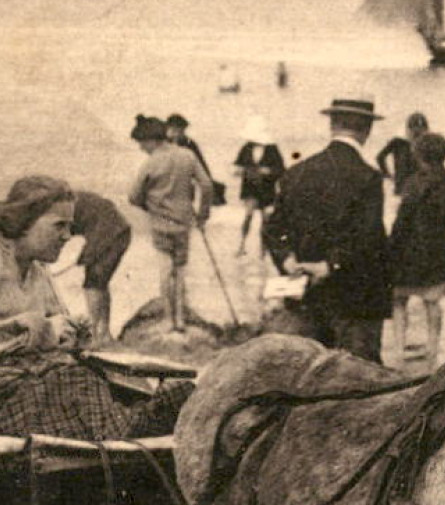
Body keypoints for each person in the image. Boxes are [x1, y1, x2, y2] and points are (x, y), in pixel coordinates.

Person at [0, 176, 192, 440]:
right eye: (58, 226)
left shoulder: (37, 269)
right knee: (59, 385)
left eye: (70, 227)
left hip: (14, 374)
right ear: (23, 220)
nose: (67, 236)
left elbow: (56, 323)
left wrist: (74, 331)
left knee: (81, 379)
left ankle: (129, 423)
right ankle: (129, 426)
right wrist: (44, 330)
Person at [263, 96, 392, 364]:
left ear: (332, 125)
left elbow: (272, 228)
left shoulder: (296, 172)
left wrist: (287, 260)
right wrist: (331, 265)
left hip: (304, 293)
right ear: (367, 130)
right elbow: (369, 239)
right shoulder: (368, 177)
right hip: (355, 298)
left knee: (305, 379)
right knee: (358, 382)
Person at [387, 132, 445, 369]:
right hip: (438, 250)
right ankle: (432, 352)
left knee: (399, 300)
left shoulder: (412, 183)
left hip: (409, 250)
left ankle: (398, 351)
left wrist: (389, 248)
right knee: (432, 303)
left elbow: (402, 222)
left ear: (418, 155)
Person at [127, 115, 212, 335]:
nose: (141, 148)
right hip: (184, 222)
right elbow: (207, 185)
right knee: (181, 270)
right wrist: (202, 215)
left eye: (142, 144)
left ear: (151, 140)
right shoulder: (187, 155)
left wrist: (151, 206)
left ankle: (168, 318)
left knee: (165, 270)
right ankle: (181, 318)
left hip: (160, 224)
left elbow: (133, 196)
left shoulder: (150, 162)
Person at [70, 190, 132, 347]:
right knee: (100, 283)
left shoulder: (55, 206)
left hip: (109, 233)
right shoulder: (69, 200)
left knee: (93, 283)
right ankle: (103, 333)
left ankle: (97, 336)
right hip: (122, 230)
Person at [232, 115, 285, 256]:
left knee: (265, 220)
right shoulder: (246, 147)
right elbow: (237, 166)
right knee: (248, 215)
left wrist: (268, 171)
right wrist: (241, 171)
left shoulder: (272, 149)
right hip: (250, 188)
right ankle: (242, 245)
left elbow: (281, 170)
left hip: (267, 189)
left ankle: (263, 249)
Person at [166, 114, 225, 207]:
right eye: (173, 129)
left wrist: (208, 180)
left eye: (179, 130)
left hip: (185, 182)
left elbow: (201, 162)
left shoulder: (189, 144)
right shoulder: (163, 143)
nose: (177, 133)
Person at [375, 112, 428, 197]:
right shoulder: (398, 143)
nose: (416, 135)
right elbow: (380, 157)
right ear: (408, 130)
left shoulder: (426, 146)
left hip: (420, 191)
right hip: (402, 190)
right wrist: (387, 174)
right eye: (414, 131)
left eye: (420, 132)